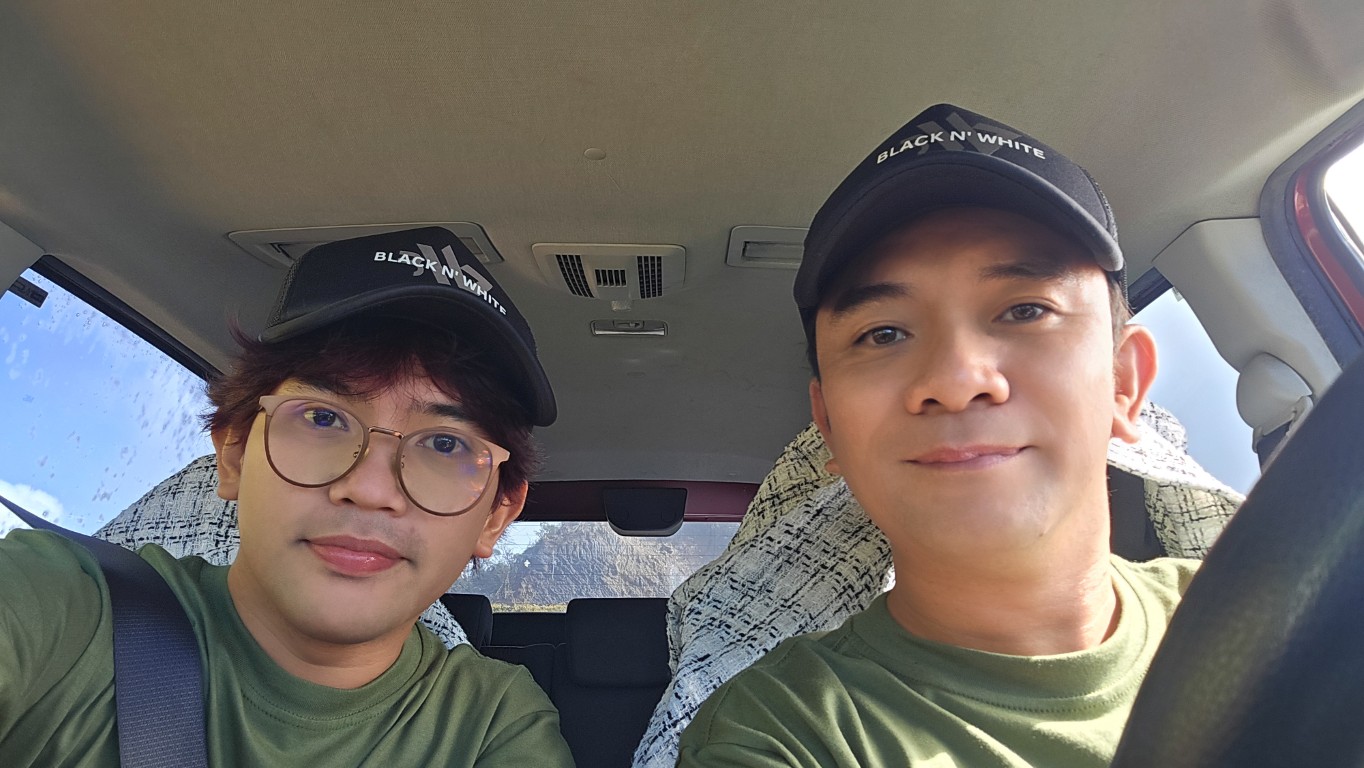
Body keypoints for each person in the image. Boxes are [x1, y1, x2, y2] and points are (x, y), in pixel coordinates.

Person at [676, 103, 1198, 766]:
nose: (954, 381)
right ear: (828, 427)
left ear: (1124, 382)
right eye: (883, 334)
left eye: (1025, 310)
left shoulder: (1270, 620)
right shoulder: (786, 731)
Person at [0, 227, 575, 766]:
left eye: (446, 445)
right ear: (233, 454)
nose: (370, 489)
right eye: (323, 418)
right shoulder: (65, 607)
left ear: (495, 518)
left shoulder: (493, 723)